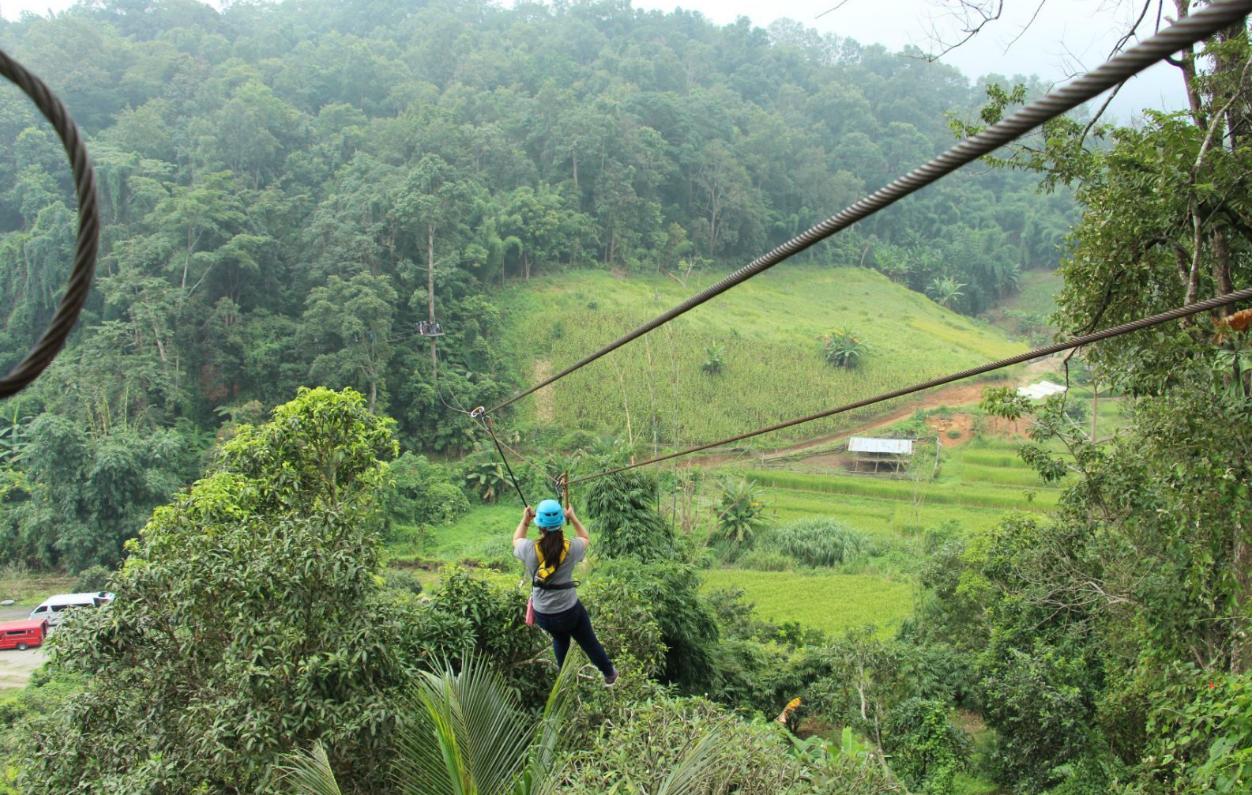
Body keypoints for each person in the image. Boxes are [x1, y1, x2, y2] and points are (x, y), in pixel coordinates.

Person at [513, 499, 618, 685]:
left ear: (540, 525)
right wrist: (573, 518)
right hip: (569, 612)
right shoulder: (571, 548)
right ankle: (609, 673)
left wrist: (525, 521)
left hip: (543, 614)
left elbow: (516, 540)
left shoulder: (529, 549)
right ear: (561, 523)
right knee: (588, 640)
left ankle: (564, 678)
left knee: (560, 639)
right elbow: (585, 538)